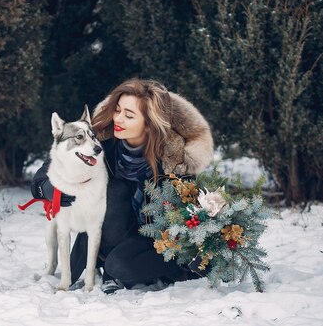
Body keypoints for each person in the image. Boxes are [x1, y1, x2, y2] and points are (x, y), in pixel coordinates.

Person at [31, 78, 214, 294]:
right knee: (115, 191)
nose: (118, 118)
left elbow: (188, 214)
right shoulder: (101, 144)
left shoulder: (176, 159)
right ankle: (111, 265)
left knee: (121, 266)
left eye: (129, 115)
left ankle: (170, 270)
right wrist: (47, 187)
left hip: (157, 241)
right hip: (116, 234)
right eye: (117, 110)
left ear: (149, 122)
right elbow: (50, 167)